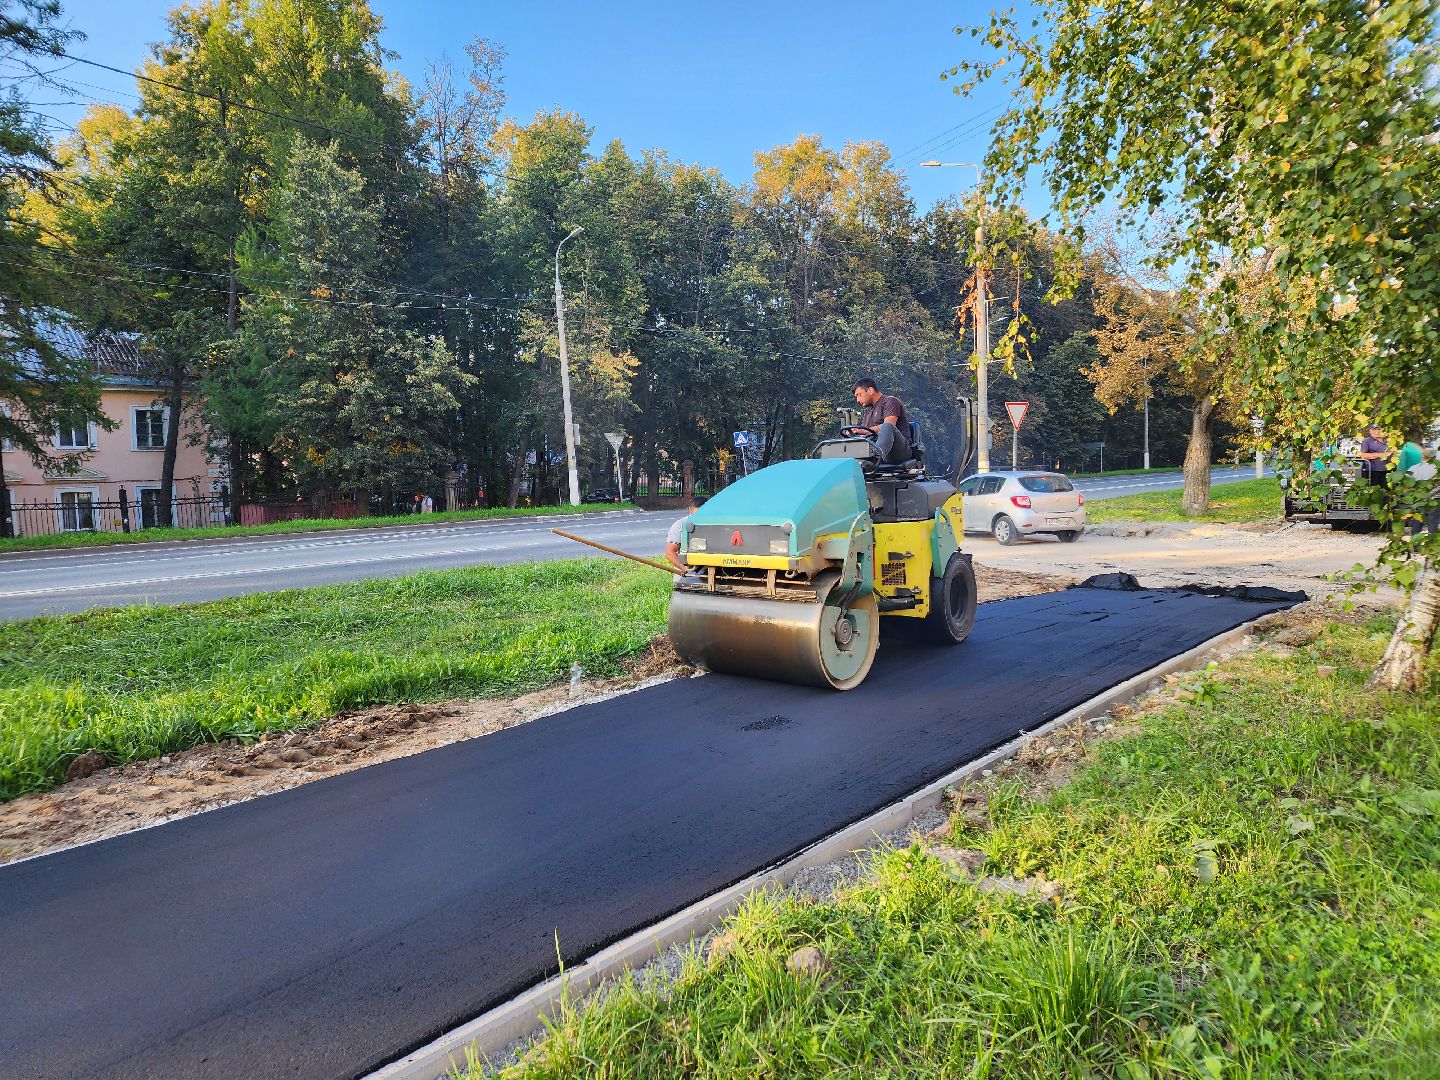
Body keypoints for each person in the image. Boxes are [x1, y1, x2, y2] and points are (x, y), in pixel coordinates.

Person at [850, 377, 911, 465]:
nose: (858, 400)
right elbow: (866, 436)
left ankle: (875, 459)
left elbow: (890, 425)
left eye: (859, 395)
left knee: (887, 426)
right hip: (875, 449)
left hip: (899, 451)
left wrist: (863, 431)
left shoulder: (890, 401)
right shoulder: (867, 414)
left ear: (870, 390)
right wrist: (854, 434)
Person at [665, 495, 707, 573]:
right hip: (688, 568)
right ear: (690, 511)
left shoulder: (715, 524)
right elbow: (670, 552)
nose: (699, 519)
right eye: (696, 516)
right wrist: (686, 570)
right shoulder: (680, 525)